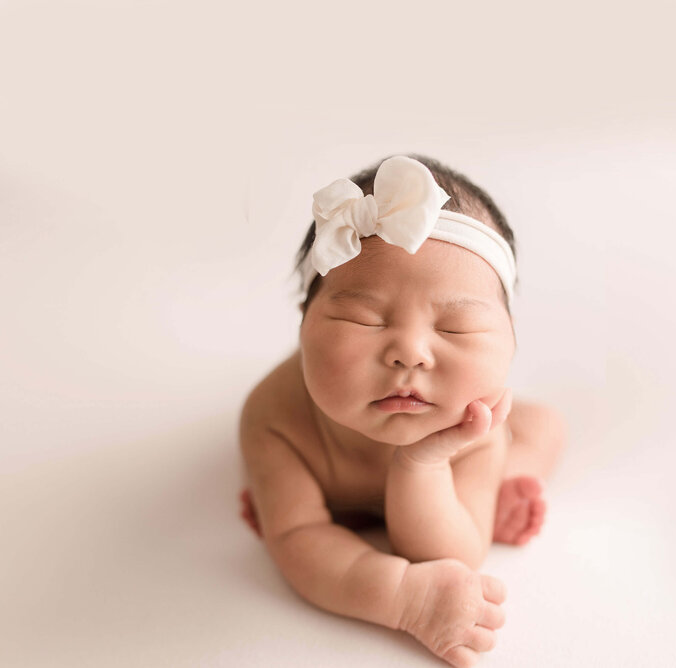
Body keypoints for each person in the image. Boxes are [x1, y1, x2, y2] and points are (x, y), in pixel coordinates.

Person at [238, 154, 565, 668]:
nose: (409, 352)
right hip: (326, 456)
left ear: (511, 338)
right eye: (362, 319)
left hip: (460, 452)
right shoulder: (278, 419)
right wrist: (405, 595)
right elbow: (298, 543)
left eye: (455, 328)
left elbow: (451, 557)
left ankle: (500, 484)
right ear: (303, 326)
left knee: (542, 427)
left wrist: (425, 462)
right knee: (292, 515)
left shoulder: (473, 422)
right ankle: (462, 498)